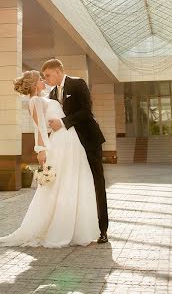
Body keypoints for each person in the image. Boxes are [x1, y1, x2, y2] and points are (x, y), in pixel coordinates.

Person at [0, 69, 99, 248]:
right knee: (60, 186)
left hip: (71, 141)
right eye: (41, 79)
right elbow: (39, 128)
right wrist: (41, 150)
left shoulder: (47, 98)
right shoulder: (35, 101)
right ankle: (58, 229)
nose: (44, 80)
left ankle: (76, 229)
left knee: (73, 182)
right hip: (60, 144)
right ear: (35, 84)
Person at [42, 58, 109, 243]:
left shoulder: (78, 84)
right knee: (76, 185)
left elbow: (86, 111)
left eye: (47, 75)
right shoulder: (52, 94)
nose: (46, 79)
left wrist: (63, 122)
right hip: (69, 147)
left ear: (57, 71)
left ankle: (103, 229)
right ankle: (81, 228)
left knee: (96, 182)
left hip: (88, 141)